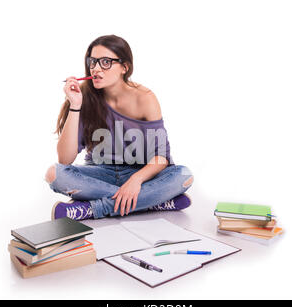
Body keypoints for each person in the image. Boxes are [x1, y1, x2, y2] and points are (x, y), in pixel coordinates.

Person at [45, 35, 193, 220]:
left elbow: (161, 157)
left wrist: (135, 180)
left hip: (140, 173)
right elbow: (65, 160)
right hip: (100, 173)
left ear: (125, 67)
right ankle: (153, 202)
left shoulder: (145, 98)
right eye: (93, 61)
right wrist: (75, 105)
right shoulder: (84, 97)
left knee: (183, 175)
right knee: (53, 173)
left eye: (106, 62)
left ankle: (92, 209)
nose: (96, 68)